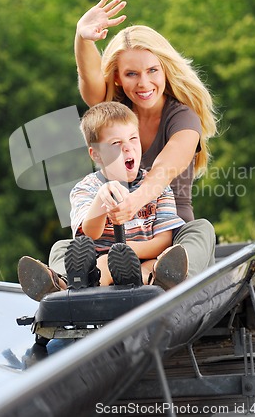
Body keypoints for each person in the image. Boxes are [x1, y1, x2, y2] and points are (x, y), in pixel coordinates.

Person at [73, 0, 217, 277]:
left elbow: (162, 172)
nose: (144, 83)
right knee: (64, 246)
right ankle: (64, 283)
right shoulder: (115, 113)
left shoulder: (183, 118)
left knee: (202, 231)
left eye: (152, 70)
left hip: (166, 237)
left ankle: (167, 275)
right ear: (116, 77)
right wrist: (83, 38)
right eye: (131, 74)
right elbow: (90, 82)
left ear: (165, 69)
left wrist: (131, 204)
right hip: (113, 241)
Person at [18, 102, 188, 301]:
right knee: (64, 248)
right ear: (96, 154)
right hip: (99, 263)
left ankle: (145, 280)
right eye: (116, 143)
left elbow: (163, 241)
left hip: (146, 258)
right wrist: (101, 199)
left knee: (153, 262)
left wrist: (126, 252)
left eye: (133, 138)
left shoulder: (156, 187)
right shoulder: (86, 188)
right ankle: (60, 284)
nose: (128, 147)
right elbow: (90, 233)